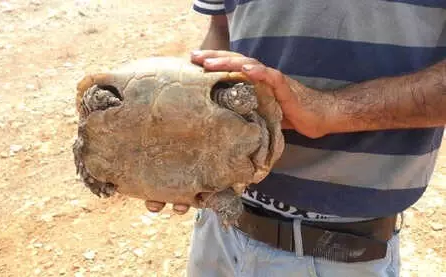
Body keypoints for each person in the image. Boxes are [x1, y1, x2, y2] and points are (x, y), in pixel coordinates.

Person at [145, 1, 446, 276]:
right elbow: (222, 28)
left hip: (338, 250)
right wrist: (186, 136)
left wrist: (332, 110)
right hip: (218, 230)